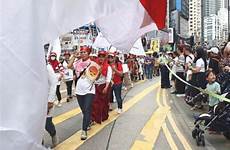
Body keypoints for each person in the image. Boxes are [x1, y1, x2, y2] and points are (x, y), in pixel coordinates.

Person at [68, 46, 100, 140]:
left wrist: (98, 73)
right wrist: (73, 56)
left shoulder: (93, 63)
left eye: (84, 52)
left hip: (89, 90)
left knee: (86, 108)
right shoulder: (77, 62)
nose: (82, 54)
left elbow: (96, 78)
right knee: (84, 110)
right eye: (81, 52)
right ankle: (89, 120)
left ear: (88, 53)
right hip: (79, 90)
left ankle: (84, 130)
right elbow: (69, 66)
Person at [91, 50, 112, 124]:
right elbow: (91, 75)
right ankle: (95, 118)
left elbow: (108, 78)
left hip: (104, 85)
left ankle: (104, 116)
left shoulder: (108, 67)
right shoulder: (94, 65)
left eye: (103, 57)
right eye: (99, 56)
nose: (101, 58)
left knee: (104, 102)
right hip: (95, 86)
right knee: (95, 103)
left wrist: (106, 87)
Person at [45, 60, 59, 147]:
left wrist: (50, 100)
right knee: (35, 124)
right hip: (35, 100)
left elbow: (54, 83)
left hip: (47, 100)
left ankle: (53, 134)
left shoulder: (47, 67)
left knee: (47, 123)